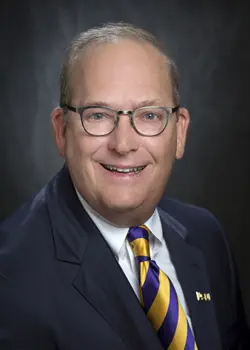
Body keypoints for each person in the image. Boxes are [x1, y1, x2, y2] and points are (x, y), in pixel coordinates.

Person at [0, 22, 249, 350]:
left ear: (180, 132)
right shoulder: (11, 279)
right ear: (62, 131)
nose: (123, 143)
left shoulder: (205, 234)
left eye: (149, 116)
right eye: (98, 115)